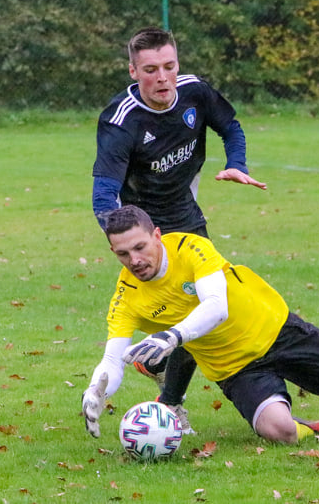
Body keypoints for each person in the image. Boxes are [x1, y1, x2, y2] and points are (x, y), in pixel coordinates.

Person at [81, 206, 319, 444]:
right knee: (281, 432)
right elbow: (112, 360)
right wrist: (97, 390)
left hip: (278, 331)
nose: (135, 260)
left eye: (140, 247)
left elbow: (216, 307)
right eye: (123, 254)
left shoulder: (191, 248)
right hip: (235, 369)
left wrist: (173, 335)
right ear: (113, 253)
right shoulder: (126, 298)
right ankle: (311, 427)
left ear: (157, 236)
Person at [91, 27, 268, 432]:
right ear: (133, 71)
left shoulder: (195, 92)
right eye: (150, 69)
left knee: (207, 310)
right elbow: (104, 194)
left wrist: (237, 161)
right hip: (146, 227)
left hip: (187, 215)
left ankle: (160, 375)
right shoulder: (120, 122)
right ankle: (168, 397)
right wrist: (126, 243)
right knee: (195, 313)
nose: (162, 77)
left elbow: (231, 125)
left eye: (169, 66)